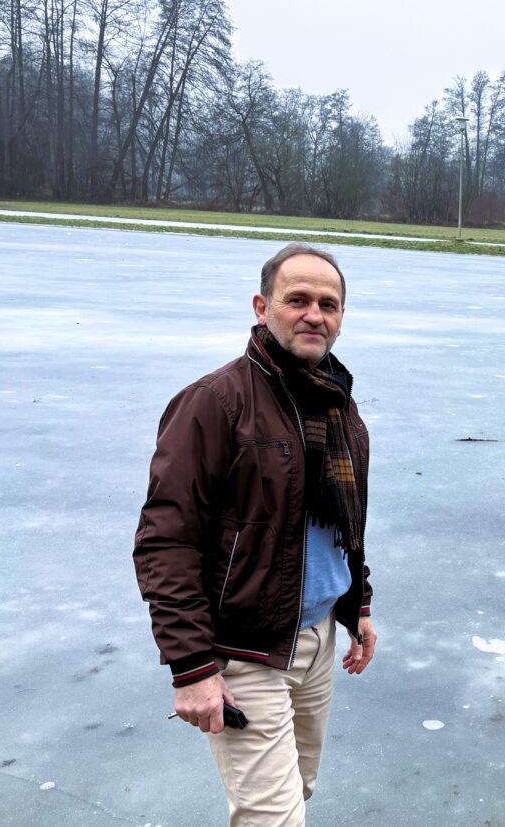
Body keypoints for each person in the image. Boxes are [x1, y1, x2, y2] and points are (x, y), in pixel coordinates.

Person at [134, 243, 377, 826]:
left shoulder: (336, 401)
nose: (314, 315)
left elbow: (343, 522)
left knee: (299, 790)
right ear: (262, 305)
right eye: (297, 300)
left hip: (315, 637)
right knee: (273, 818)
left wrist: (357, 601)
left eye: (329, 304)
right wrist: (192, 666)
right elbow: (165, 539)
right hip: (246, 651)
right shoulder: (217, 402)